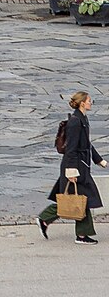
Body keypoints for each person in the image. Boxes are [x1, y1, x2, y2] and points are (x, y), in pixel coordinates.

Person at [39, 90, 107, 244]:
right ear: (82, 103)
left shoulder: (82, 118)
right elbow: (71, 148)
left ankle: (47, 220)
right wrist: (71, 171)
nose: (91, 103)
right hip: (75, 166)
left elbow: (86, 143)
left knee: (79, 199)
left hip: (81, 165)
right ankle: (79, 234)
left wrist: (98, 160)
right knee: (80, 198)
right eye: (89, 100)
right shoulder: (76, 121)